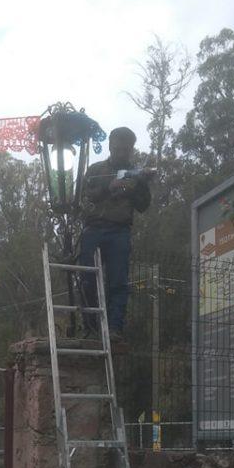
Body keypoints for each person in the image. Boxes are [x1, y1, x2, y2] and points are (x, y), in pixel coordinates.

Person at [78, 127, 152, 342]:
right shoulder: (95, 170)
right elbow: (83, 199)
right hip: (93, 228)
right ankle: (91, 327)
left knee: (118, 281)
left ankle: (114, 328)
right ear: (111, 146)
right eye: (118, 149)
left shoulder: (136, 174)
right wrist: (108, 188)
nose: (122, 153)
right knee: (88, 278)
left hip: (120, 230)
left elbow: (143, 206)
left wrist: (140, 185)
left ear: (131, 150)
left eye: (126, 150)